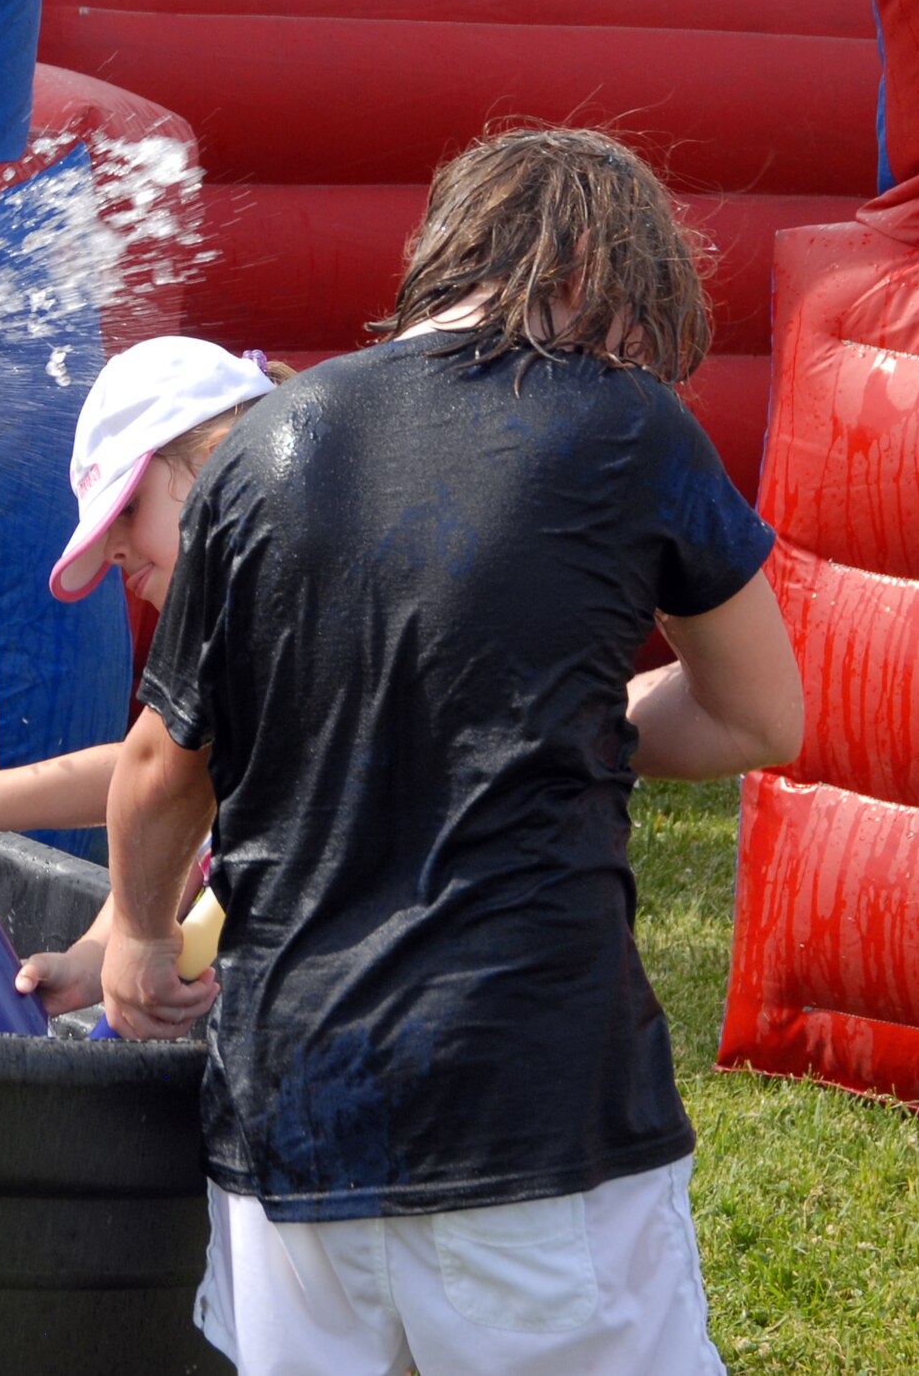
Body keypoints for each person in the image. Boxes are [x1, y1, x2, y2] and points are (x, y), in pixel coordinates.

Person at [100, 127, 804, 1375]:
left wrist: (138, 935)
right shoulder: (625, 422)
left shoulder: (259, 443)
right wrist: (557, 728)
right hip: (527, 1094)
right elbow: (759, 714)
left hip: (290, 1115)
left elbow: (161, 763)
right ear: (601, 274)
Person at [0, 336, 286, 1020]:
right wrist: (91, 959)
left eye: (129, 510)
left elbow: (153, 780)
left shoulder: (265, 596)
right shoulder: (239, 602)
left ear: (221, 456)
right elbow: (160, 796)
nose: (113, 549)